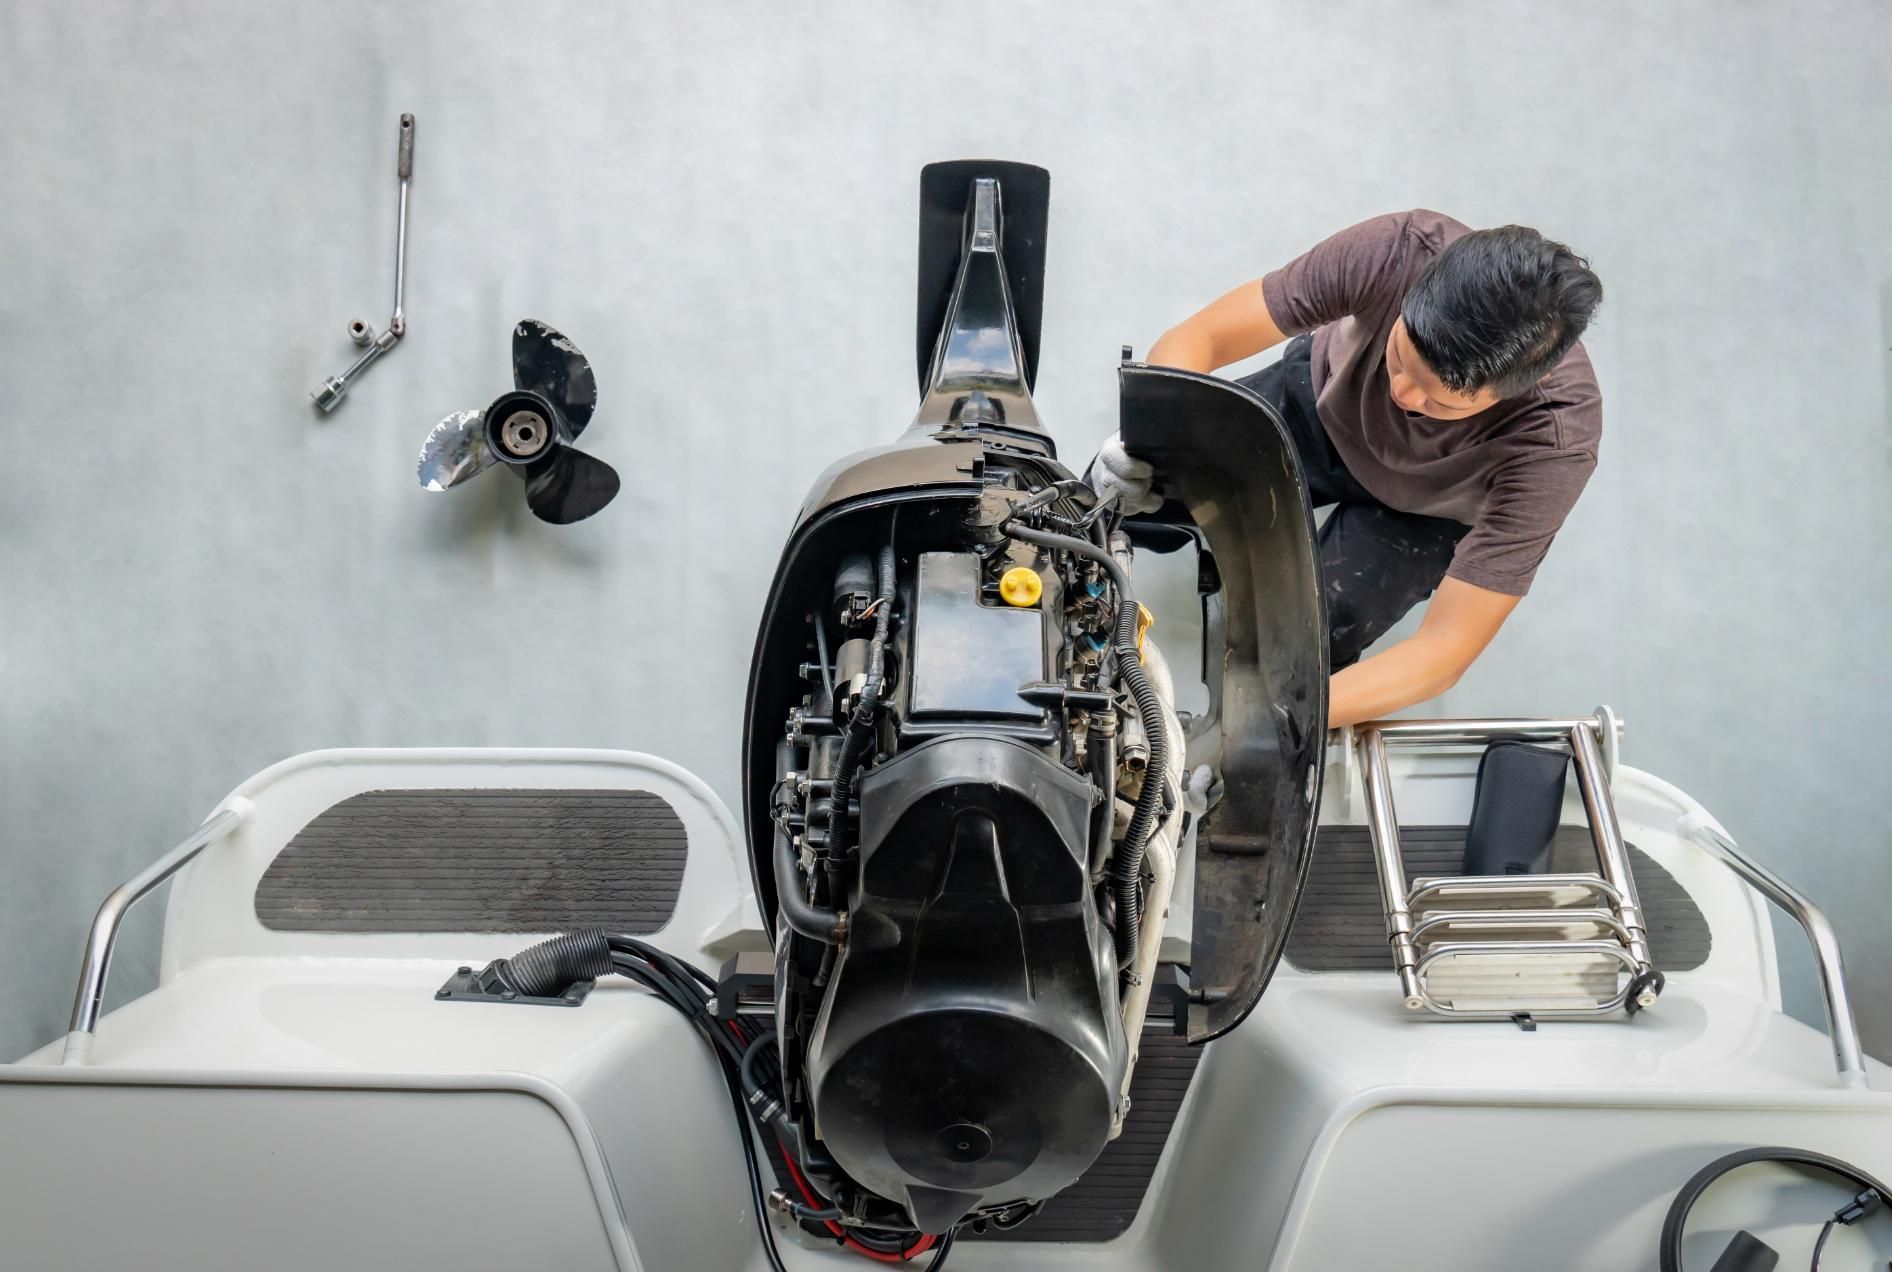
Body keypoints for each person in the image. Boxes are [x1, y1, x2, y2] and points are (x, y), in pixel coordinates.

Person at [1094, 210, 1603, 729]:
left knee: (1296, 652)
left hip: (1423, 512)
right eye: (1400, 355)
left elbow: (1444, 651)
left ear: (1513, 394)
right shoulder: (1398, 250)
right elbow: (1204, 336)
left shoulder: (1555, 441)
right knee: (1124, 494)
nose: (1400, 394)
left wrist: (1281, 720)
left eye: (1438, 401)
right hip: (1320, 403)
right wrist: (1157, 430)